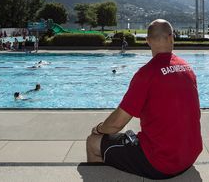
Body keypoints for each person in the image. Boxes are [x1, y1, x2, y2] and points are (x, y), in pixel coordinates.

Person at [86, 19, 202, 180]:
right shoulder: (187, 68)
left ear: (148, 41)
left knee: (93, 142)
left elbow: (116, 124)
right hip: (189, 155)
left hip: (160, 163)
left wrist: (98, 129)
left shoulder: (146, 74)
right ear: (172, 37)